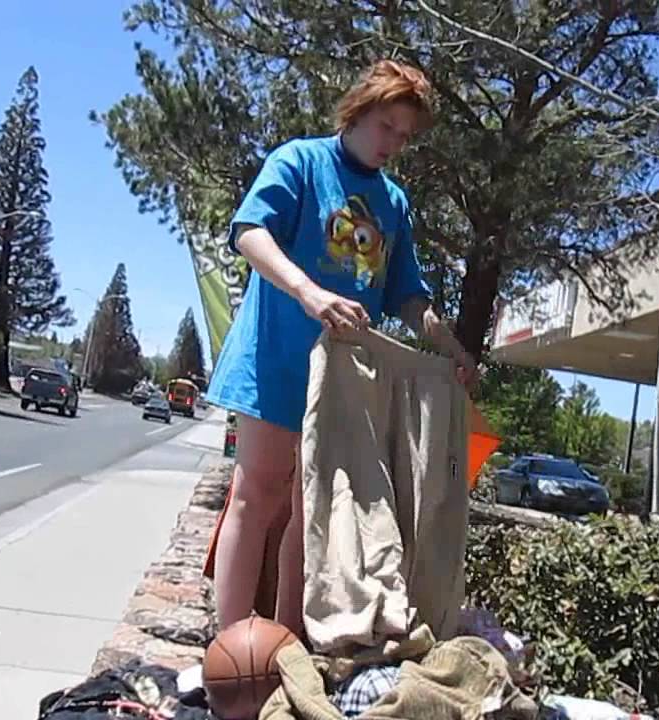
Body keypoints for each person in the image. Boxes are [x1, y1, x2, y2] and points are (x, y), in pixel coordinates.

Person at [204, 59, 477, 640]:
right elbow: (249, 232)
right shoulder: (300, 161)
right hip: (275, 360)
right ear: (358, 111)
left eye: (405, 136)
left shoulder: (393, 202)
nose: (393, 144)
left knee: (313, 516)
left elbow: (407, 296)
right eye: (386, 127)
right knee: (257, 494)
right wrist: (307, 291)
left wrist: (451, 347)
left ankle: (287, 644)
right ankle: (228, 650)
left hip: (343, 380)